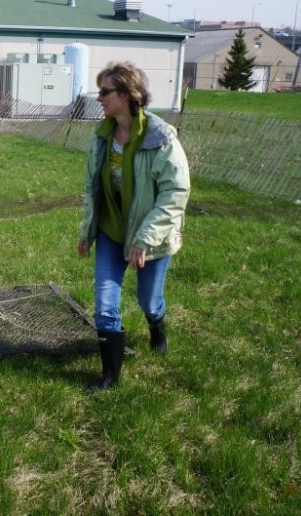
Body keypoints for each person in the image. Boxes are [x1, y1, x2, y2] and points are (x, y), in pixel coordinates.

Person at [77, 61, 190, 392]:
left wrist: (145, 238)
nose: (99, 98)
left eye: (105, 91)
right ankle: (110, 376)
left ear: (127, 95)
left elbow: (174, 194)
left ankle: (157, 325)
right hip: (112, 233)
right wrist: (87, 231)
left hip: (151, 237)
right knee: (105, 304)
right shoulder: (102, 136)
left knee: (148, 301)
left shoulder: (160, 138)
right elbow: (91, 188)